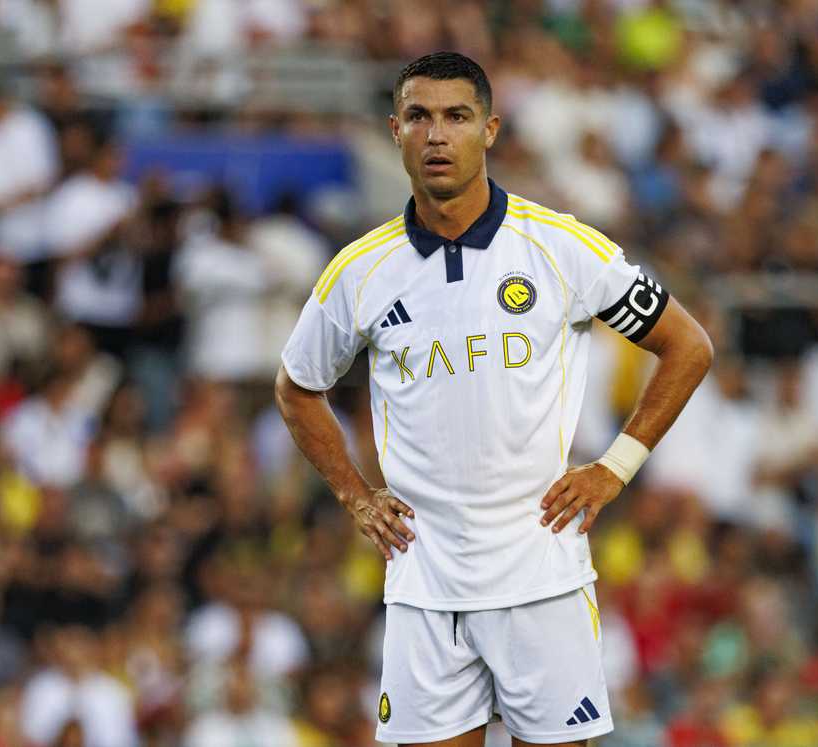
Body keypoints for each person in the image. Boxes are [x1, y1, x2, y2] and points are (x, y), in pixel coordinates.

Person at [276, 52, 713, 747]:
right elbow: (297, 389)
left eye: (457, 116)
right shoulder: (360, 271)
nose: (438, 134)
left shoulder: (559, 247)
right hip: (424, 582)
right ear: (394, 130)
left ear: (491, 130)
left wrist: (615, 466)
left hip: (539, 575)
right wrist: (355, 494)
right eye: (419, 116)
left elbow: (687, 345)